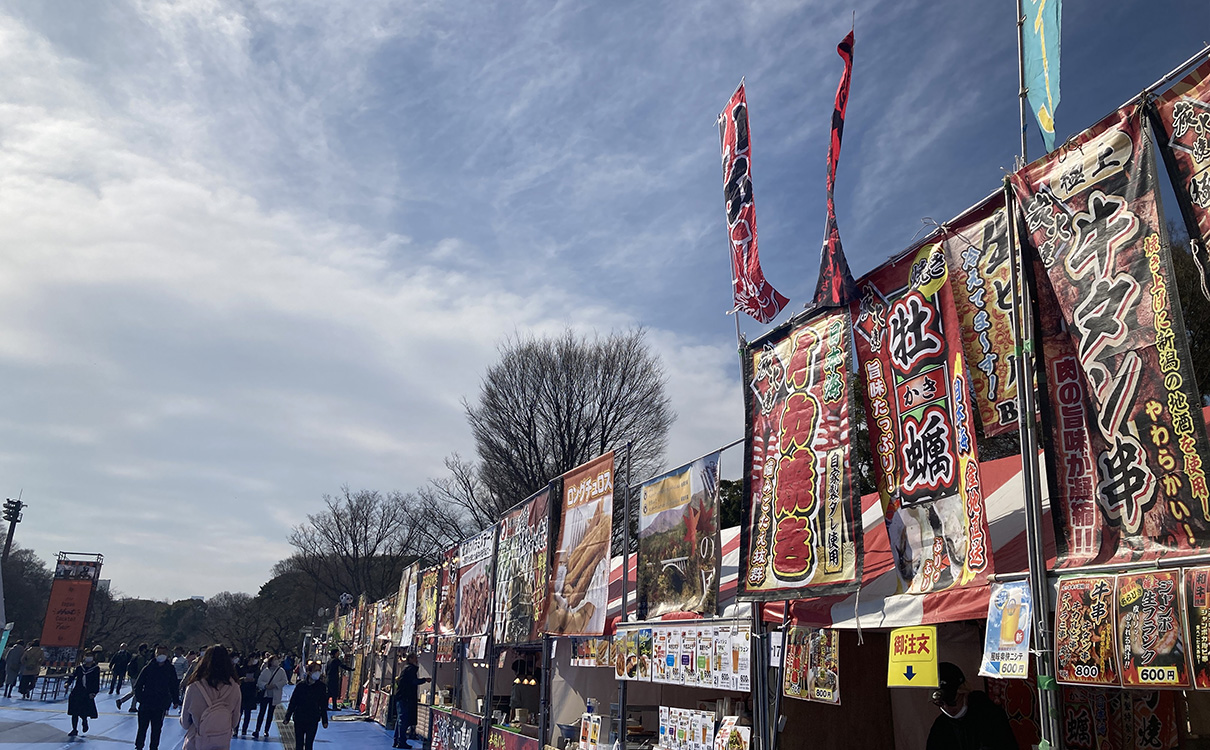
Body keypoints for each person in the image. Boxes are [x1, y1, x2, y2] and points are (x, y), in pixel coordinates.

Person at [927, 662, 1019, 750]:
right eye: (940, 703)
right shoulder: (940, 727)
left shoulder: (990, 716)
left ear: (964, 693)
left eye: (952, 702)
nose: (946, 707)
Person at [179, 644, 241, 750]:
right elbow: (235, 722)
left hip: (196, 741)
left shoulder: (194, 687)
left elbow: (185, 722)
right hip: (221, 741)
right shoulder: (235, 688)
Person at [131, 645, 181, 750]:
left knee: (157, 729)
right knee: (142, 728)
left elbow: (173, 686)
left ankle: (154, 747)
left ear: (167, 655)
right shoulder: (148, 667)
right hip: (146, 703)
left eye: (163, 653)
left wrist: (175, 700)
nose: (161, 655)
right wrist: (141, 699)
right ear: (155, 654)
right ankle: (139, 746)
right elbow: (138, 685)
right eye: (159, 653)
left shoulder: (170, 669)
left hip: (160, 704)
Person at [284, 661, 329, 750]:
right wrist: (287, 717)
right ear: (309, 672)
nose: (318, 673)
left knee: (309, 744)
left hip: (313, 718)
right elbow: (293, 701)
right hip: (299, 717)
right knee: (299, 744)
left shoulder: (321, 687)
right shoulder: (301, 685)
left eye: (319, 671)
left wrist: (325, 720)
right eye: (315, 670)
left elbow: (323, 704)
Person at [392, 652, 430, 748]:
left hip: (401, 697)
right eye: (415, 658)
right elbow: (413, 681)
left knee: (400, 719)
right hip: (405, 698)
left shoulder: (405, 669)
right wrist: (424, 680)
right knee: (403, 720)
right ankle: (401, 742)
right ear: (410, 659)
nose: (416, 660)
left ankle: (397, 740)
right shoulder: (410, 669)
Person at [65, 646, 103, 736]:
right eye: (86, 656)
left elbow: (96, 682)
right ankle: (74, 729)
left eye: (89, 656)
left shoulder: (95, 669)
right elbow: (73, 676)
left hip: (87, 692)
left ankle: (84, 720)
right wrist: (68, 683)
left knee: (83, 711)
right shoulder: (80, 668)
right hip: (77, 691)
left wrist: (94, 692)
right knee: (74, 712)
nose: (87, 658)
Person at [253, 653, 288, 739]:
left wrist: (276, 685)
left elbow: (284, 681)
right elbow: (259, 681)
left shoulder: (281, 671)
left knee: (270, 713)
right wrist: (265, 685)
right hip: (265, 695)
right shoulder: (266, 670)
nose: (276, 661)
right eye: (274, 660)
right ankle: (257, 729)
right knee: (261, 712)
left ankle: (266, 730)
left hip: (274, 695)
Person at [235, 653, 260, 737]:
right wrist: (242, 679)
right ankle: (236, 729)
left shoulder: (256, 670)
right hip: (242, 691)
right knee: (239, 712)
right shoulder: (241, 669)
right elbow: (237, 678)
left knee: (248, 713)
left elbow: (258, 679)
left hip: (251, 692)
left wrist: (254, 680)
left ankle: (244, 730)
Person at [125, 643, 151, 712]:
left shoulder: (135, 656)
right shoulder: (141, 658)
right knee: (136, 692)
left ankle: (121, 701)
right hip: (136, 677)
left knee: (133, 692)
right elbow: (141, 668)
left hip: (132, 676)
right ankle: (132, 707)